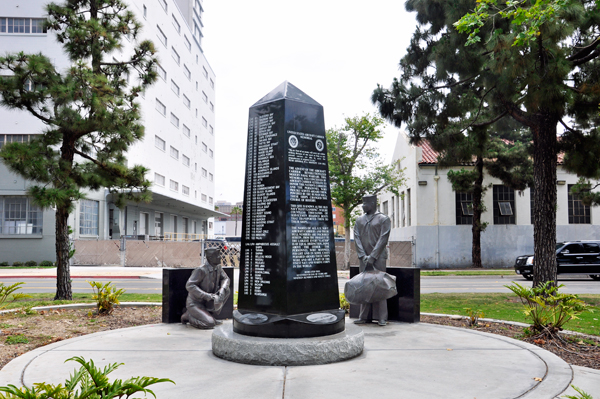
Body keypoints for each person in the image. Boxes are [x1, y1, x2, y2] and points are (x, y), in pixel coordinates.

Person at [353, 194, 391, 326]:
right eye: (362, 204)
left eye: (365, 204)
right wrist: (363, 256)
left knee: (379, 286)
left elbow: (383, 239)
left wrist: (373, 256)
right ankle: (364, 317)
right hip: (363, 258)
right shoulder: (359, 220)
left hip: (378, 258)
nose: (363, 206)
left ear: (373, 203)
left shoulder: (383, 219)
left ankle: (382, 317)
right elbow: (356, 239)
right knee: (363, 286)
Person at [181, 248, 231, 329]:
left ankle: (209, 314)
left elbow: (226, 279)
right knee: (209, 323)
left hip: (208, 302)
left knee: (227, 290)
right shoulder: (201, 270)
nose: (220, 257)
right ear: (210, 258)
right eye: (217, 255)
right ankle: (189, 316)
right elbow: (190, 285)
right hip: (196, 304)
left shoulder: (218, 267)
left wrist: (222, 289)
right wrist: (207, 296)